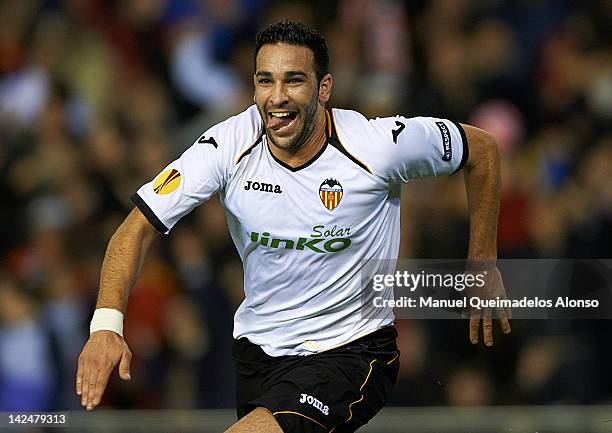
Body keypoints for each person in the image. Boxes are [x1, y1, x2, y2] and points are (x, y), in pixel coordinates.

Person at [76, 20, 510, 432]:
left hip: (351, 351)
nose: (276, 96)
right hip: (258, 354)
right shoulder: (228, 145)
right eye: (265, 81)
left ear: (324, 88)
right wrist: (105, 327)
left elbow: (483, 150)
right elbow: (134, 228)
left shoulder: (377, 147)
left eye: (293, 81)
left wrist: (482, 262)